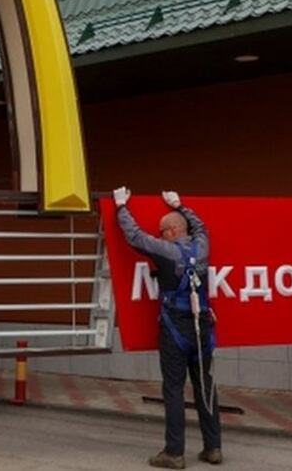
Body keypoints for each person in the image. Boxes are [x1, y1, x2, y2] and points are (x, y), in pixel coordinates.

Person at [114, 186, 222, 469]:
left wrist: (120, 207)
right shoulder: (203, 246)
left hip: (175, 329)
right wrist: (181, 205)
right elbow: (201, 226)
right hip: (203, 330)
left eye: (162, 231)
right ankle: (213, 448)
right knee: (205, 387)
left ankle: (174, 453)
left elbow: (135, 237)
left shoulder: (166, 251)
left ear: (172, 232)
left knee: (173, 389)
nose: (160, 235)